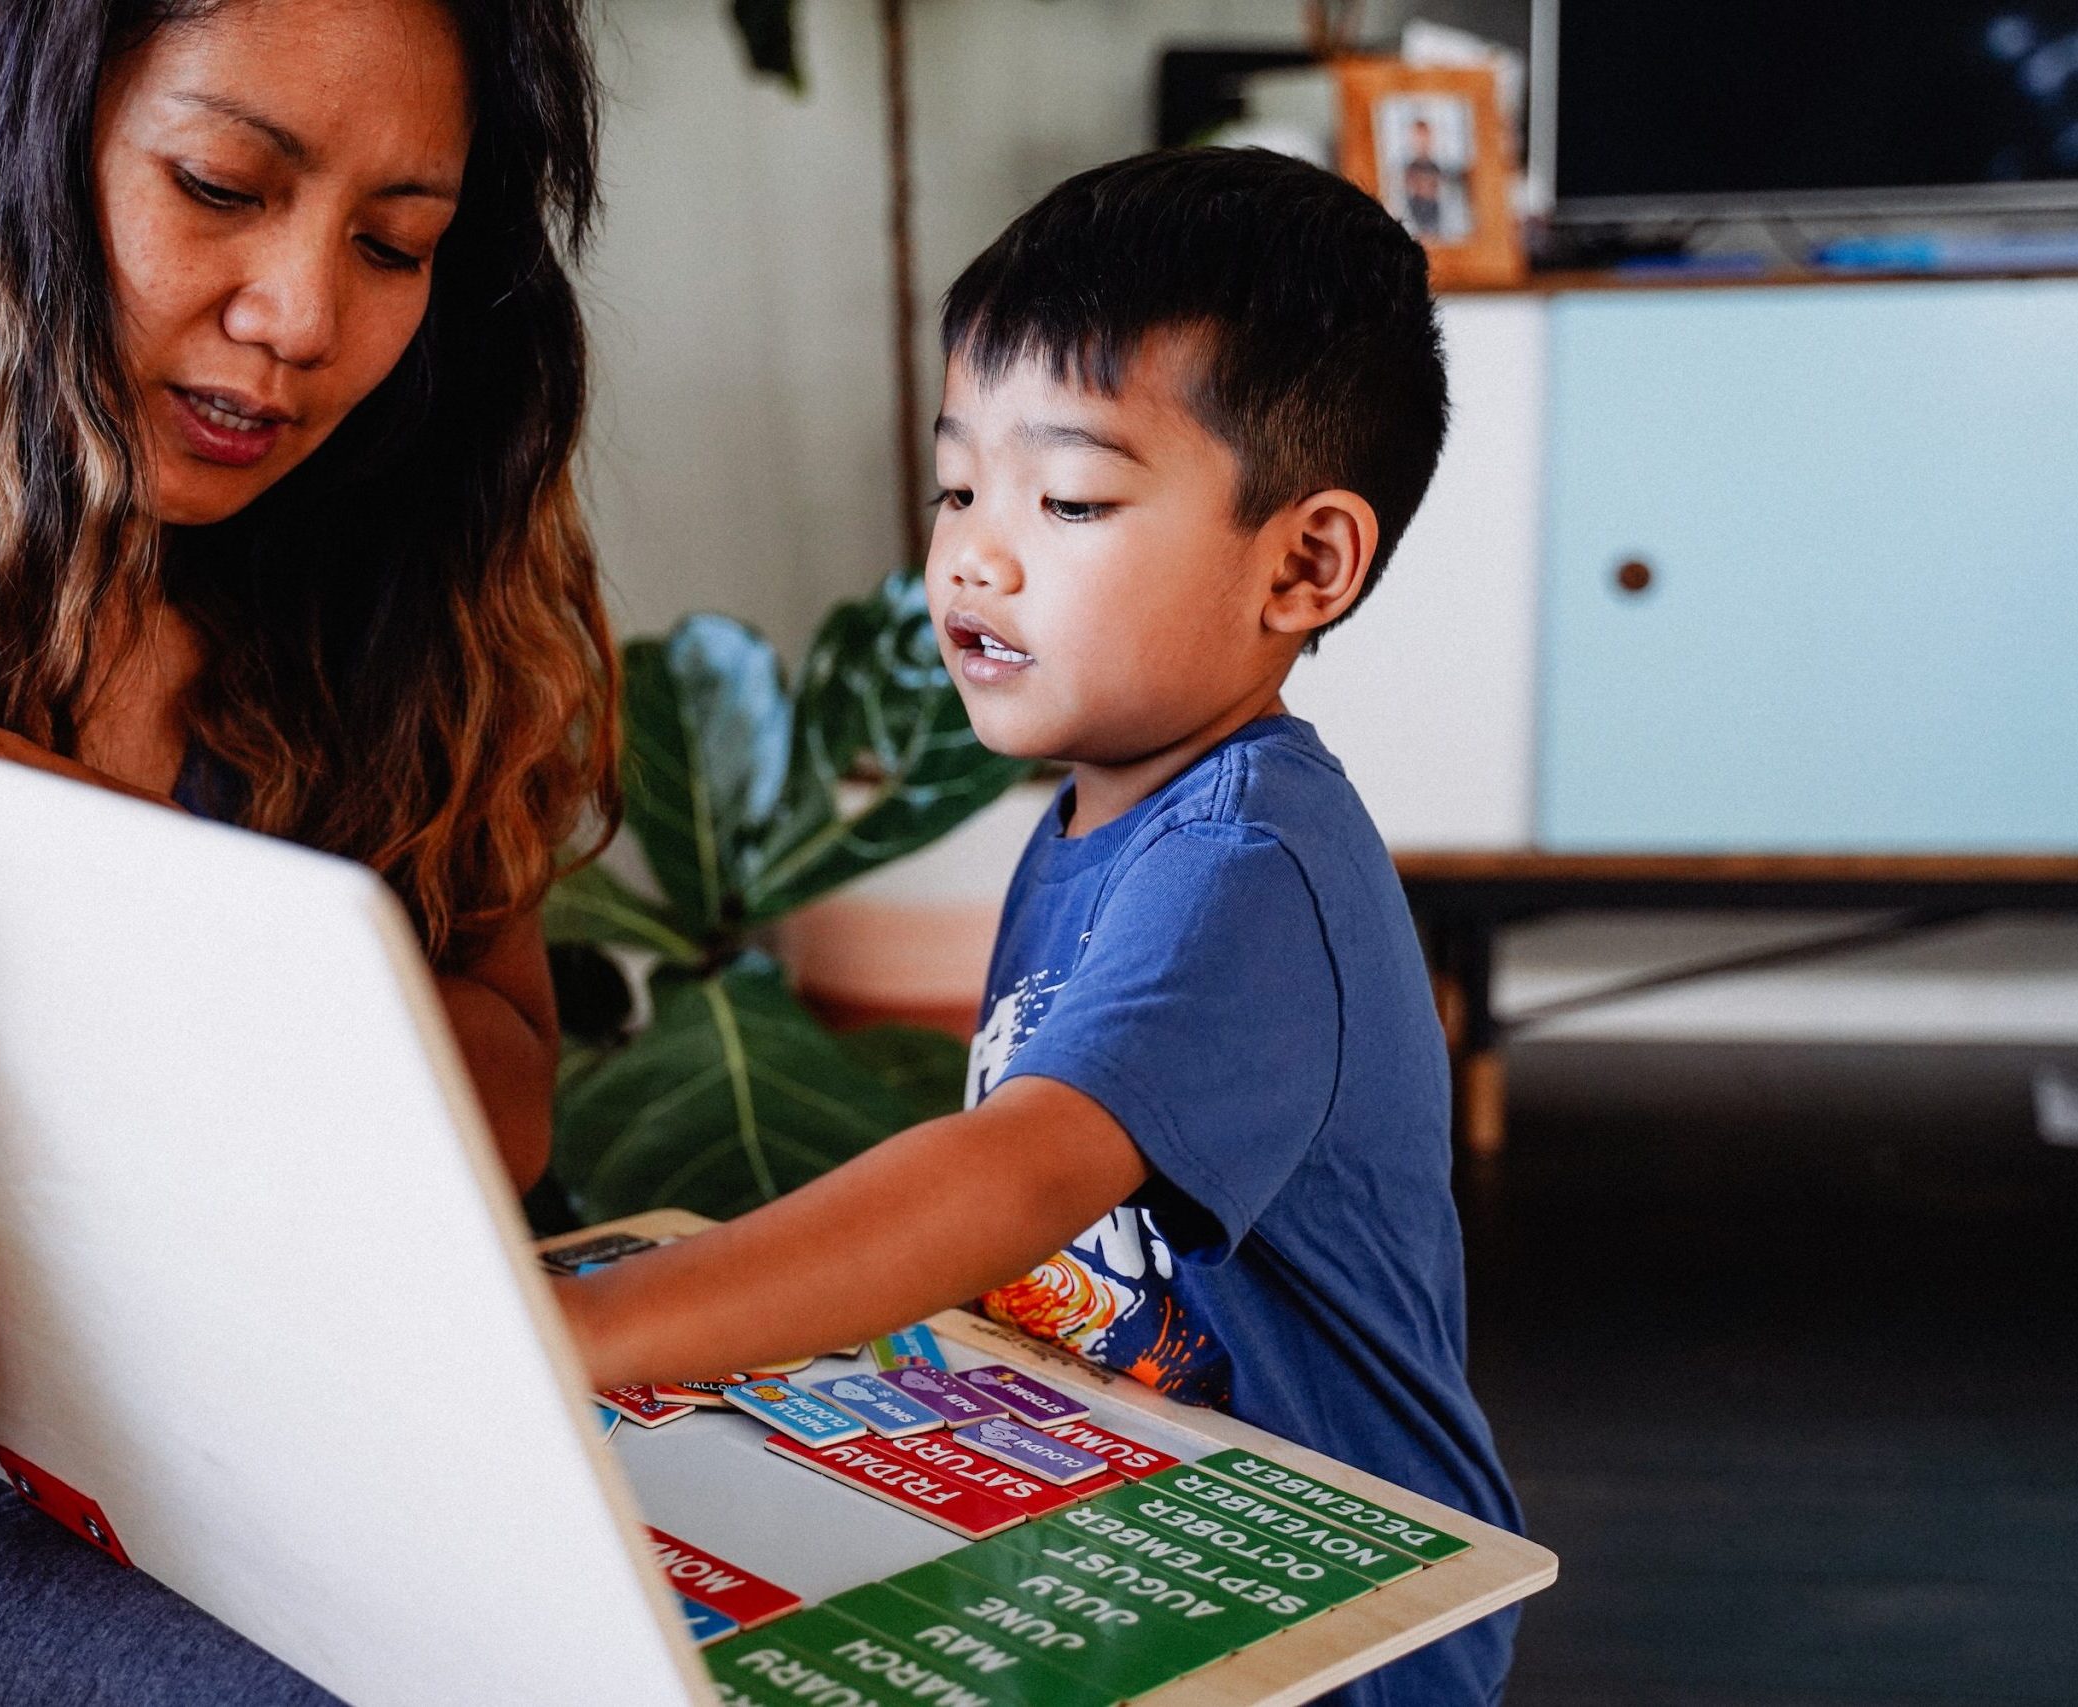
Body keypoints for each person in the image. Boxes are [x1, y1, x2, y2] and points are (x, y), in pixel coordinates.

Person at [0, 0, 615, 1698]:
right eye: (221, 184)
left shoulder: (394, 540)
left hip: (269, 1407)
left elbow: (509, 1097)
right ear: (1, 121)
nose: (300, 318)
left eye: (396, 246)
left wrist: (51, 840)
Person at [560, 147, 1523, 1706]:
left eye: (1067, 497)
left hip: (1326, 1618)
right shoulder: (1095, 812)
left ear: (1304, 562)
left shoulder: (1245, 866)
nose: (971, 556)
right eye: (956, 486)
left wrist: (581, 1334)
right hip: (1127, 1524)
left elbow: (1014, 1170)